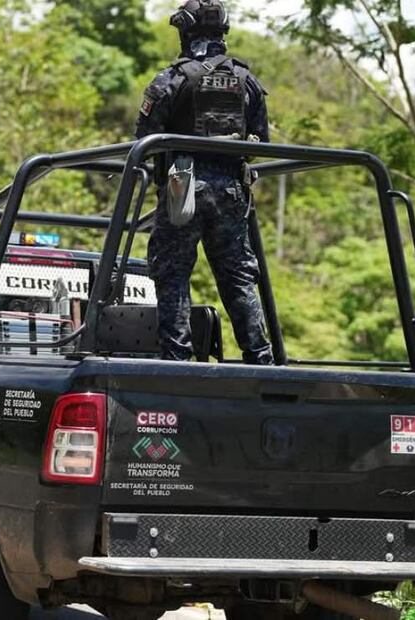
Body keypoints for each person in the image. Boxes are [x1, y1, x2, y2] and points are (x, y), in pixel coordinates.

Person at [135, 0, 273, 365]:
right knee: (239, 278)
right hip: (231, 190)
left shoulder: (171, 79)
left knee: (172, 272)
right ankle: (261, 360)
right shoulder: (247, 81)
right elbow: (260, 138)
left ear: (186, 30)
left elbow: (144, 138)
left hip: (183, 189)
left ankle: (176, 361)